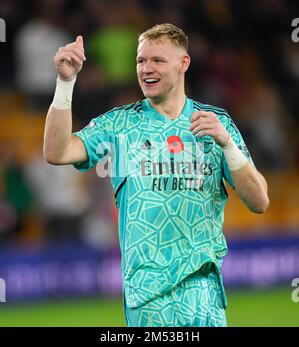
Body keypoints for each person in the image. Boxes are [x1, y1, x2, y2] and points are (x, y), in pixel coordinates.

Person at [43, 23, 269, 327]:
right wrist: (65, 83)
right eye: (141, 61)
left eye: (158, 60)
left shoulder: (216, 124)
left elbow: (259, 201)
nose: (146, 69)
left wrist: (227, 144)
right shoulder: (119, 125)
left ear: (183, 63)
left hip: (205, 296)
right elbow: (57, 152)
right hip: (148, 297)